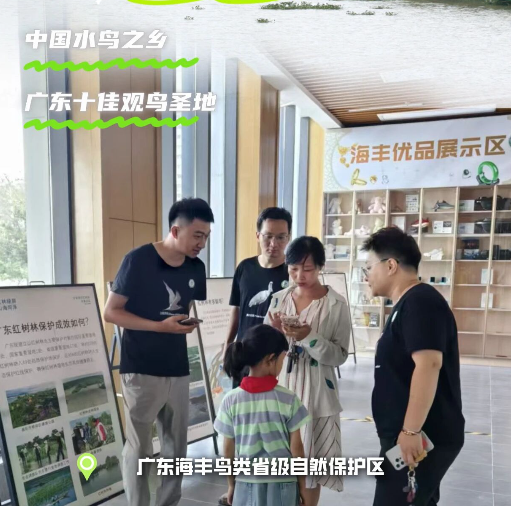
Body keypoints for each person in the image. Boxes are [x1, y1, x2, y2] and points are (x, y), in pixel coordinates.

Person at [104, 197, 213, 506]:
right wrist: (159, 326)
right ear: (175, 231)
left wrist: (181, 325)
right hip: (141, 368)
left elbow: (183, 308)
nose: (202, 244)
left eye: (206, 236)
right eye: (197, 235)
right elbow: (111, 312)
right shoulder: (138, 260)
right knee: (139, 449)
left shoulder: (196, 267)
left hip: (178, 367)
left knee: (176, 448)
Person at [362, 227, 464, 506]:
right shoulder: (407, 304)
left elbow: (429, 364)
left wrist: (410, 431)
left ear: (390, 266)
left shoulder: (420, 302)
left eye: (369, 267)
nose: (366, 275)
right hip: (410, 435)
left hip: (419, 436)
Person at [266, 236, 350, 506]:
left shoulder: (336, 304)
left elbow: (340, 355)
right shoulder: (278, 300)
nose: (300, 276)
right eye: (293, 269)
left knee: (311, 466)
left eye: (308, 269)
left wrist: (309, 337)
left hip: (316, 394)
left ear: (321, 267)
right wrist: (275, 333)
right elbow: (265, 349)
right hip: (281, 390)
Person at [215, 324, 311, 506]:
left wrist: (231, 484)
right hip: (283, 483)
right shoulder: (288, 399)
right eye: (282, 360)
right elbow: (297, 449)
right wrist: (302, 486)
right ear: (270, 359)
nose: (282, 365)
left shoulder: (230, 400)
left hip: (245, 482)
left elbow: (228, 449)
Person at [222, 207, 292, 388]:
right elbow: (236, 309)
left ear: (288, 238)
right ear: (257, 236)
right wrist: (228, 345)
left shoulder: (292, 273)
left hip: (273, 360)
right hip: (244, 354)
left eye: (281, 237)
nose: (273, 243)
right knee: (240, 403)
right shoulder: (245, 268)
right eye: (268, 236)